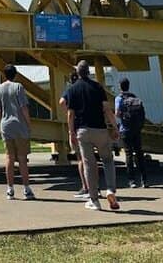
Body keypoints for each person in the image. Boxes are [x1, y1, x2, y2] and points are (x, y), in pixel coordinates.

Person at [64, 60, 119, 211]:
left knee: (89, 164)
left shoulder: (73, 89)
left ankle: (94, 200)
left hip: (83, 130)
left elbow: (70, 114)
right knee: (107, 160)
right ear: (89, 71)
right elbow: (107, 109)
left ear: (77, 72)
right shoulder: (98, 87)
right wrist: (115, 127)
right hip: (100, 129)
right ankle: (111, 190)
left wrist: (71, 132)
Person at [0, 64, 34, 200]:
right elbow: (24, 107)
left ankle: (10, 189)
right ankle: (26, 189)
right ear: (15, 74)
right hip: (19, 125)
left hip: (5, 125)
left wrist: (0, 124)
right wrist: (29, 124)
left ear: (4, 75)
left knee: (9, 158)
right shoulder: (18, 87)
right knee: (22, 159)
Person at [59, 68, 89, 199]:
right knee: (90, 159)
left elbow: (62, 102)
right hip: (91, 124)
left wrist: (68, 112)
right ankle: (95, 187)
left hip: (77, 127)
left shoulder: (71, 90)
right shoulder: (89, 87)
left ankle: (85, 187)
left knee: (80, 159)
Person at [115, 77, 147, 188]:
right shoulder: (135, 98)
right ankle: (144, 179)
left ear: (120, 86)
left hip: (125, 129)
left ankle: (132, 180)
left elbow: (117, 114)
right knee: (139, 153)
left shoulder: (119, 99)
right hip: (136, 129)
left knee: (128, 154)